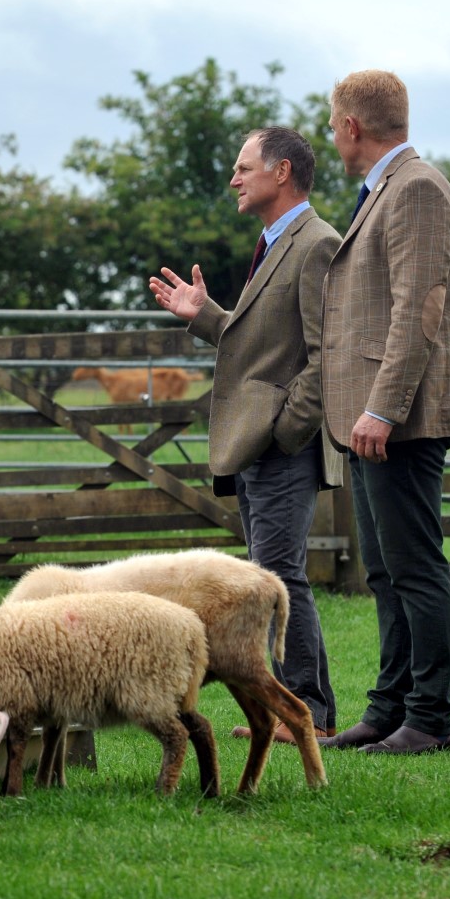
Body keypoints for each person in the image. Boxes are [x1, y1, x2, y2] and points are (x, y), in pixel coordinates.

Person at [148, 126, 343, 744]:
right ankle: (294, 704)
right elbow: (264, 347)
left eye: (244, 168)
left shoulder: (316, 245)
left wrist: (287, 431)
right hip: (258, 446)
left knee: (280, 578)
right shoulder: (272, 242)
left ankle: (307, 708)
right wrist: (204, 316)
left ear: (281, 172)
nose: (234, 178)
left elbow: (325, 357)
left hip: (281, 447)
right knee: (267, 575)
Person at [318, 70, 450, 755]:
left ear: (351, 126)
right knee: (383, 570)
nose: (332, 136)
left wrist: (381, 408)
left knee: (415, 567)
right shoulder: (387, 188)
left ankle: (430, 721)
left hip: (401, 420)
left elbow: (420, 308)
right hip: (374, 420)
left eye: (332, 125)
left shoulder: (414, 189)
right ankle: (387, 711)